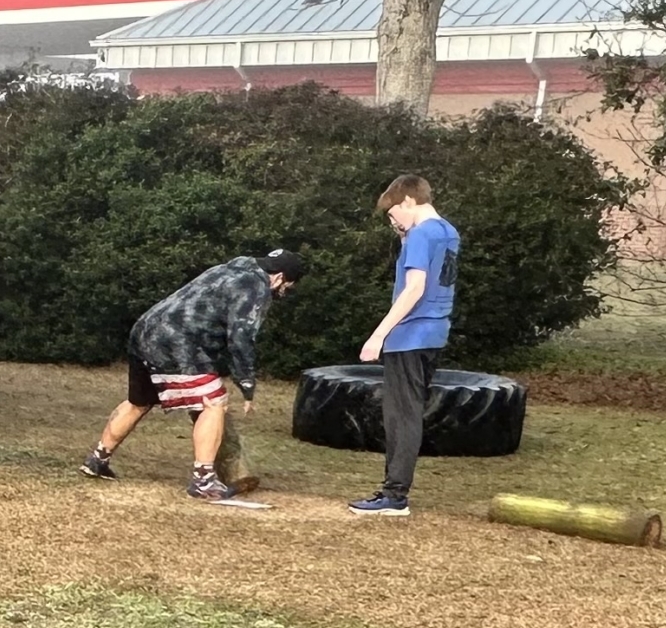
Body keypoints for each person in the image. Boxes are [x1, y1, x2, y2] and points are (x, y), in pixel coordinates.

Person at [82, 249, 306, 500]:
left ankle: (97, 460)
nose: (284, 292)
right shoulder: (256, 287)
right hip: (179, 343)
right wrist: (246, 381)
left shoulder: (231, 268)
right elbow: (241, 337)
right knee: (213, 403)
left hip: (146, 329)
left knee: (139, 402)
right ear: (280, 277)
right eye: (287, 287)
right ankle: (203, 481)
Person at [349, 175, 462, 518]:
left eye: (393, 213)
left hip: (409, 335)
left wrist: (379, 335)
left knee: (401, 416)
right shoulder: (447, 231)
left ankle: (394, 494)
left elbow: (414, 289)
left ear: (409, 201)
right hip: (435, 332)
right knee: (408, 412)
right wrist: (404, 237)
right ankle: (394, 491)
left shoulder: (421, 234)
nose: (392, 221)